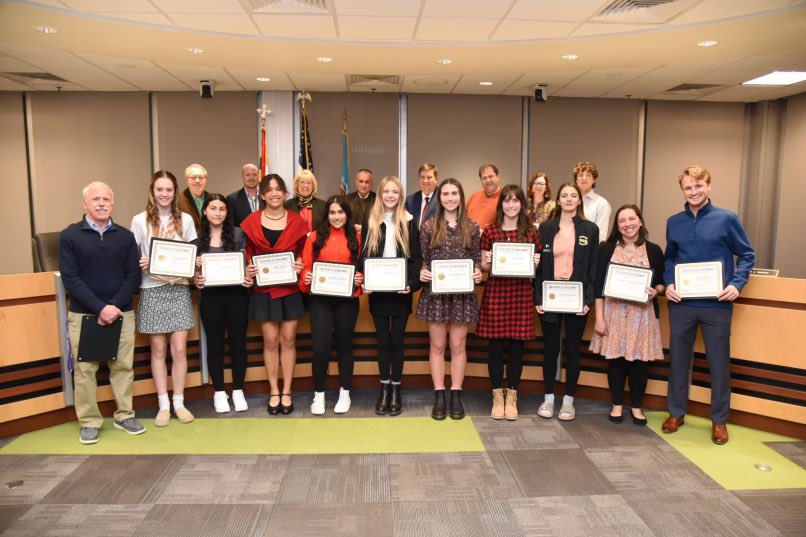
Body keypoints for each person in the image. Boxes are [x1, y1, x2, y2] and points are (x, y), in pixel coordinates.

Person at [662, 165, 755, 445]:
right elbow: (670, 258)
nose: (693, 192)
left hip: (717, 305)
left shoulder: (727, 218)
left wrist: (736, 284)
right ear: (682, 190)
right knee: (679, 361)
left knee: (718, 363)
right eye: (688, 187)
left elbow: (747, 255)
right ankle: (676, 413)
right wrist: (669, 283)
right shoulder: (674, 222)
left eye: (698, 186)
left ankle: (719, 420)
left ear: (708, 186)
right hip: (682, 304)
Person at [59, 182, 144, 444]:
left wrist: (114, 306)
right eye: (95, 199)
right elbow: (70, 278)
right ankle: (89, 421)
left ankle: (125, 415)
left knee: (123, 367)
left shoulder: (125, 236)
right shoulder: (70, 235)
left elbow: (133, 275)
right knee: (85, 371)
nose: (101, 203)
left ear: (113, 203)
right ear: (84, 203)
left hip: (122, 313)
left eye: (106, 199)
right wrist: (100, 308)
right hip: (84, 315)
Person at [131, 170, 198, 427]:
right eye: (159, 189)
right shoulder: (139, 220)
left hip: (178, 288)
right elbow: (133, 257)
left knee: (179, 349)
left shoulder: (186, 220)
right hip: (152, 288)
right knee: (158, 349)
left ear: (175, 192)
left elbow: (193, 254)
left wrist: (195, 263)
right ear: (152, 191)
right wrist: (141, 262)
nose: (164, 194)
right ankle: (163, 404)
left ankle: (179, 402)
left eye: (169, 190)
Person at [590, 205, 665, 426]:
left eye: (632, 219)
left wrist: (656, 291)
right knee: (616, 362)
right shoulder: (606, 250)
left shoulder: (654, 250)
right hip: (613, 313)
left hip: (642, 316)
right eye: (622, 220)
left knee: (640, 363)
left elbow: (661, 282)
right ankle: (616, 405)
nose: (627, 224)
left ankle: (637, 407)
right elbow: (598, 286)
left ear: (640, 221)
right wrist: (599, 318)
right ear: (617, 225)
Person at [241, 174, 309, 415]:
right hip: (263, 289)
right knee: (270, 341)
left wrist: (300, 262)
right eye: (269, 190)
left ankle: (287, 391)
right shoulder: (251, 222)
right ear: (262, 195)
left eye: (278, 189)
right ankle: (274, 391)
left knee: (288, 339)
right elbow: (248, 252)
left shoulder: (296, 221)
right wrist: (248, 266)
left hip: (289, 288)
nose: (274, 193)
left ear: (285, 193)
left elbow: (303, 251)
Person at [417, 178, 483, 421]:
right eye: (445, 194)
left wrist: (477, 272)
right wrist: (423, 272)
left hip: (461, 295)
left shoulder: (472, 226)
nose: (450, 198)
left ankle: (456, 393)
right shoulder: (428, 227)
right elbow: (423, 259)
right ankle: (439, 395)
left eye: (454, 193)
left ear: (461, 196)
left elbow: (477, 259)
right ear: (439, 197)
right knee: (437, 346)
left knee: (457, 346)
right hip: (436, 295)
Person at [534, 182, 599, 421]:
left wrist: (588, 299)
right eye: (564, 195)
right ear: (558, 200)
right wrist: (538, 297)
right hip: (551, 297)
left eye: (573, 195)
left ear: (579, 200)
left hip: (576, 298)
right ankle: (548, 399)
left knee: (573, 350)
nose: (569, 199)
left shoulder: (590, 229)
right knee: (551, 349)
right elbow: (539, 267)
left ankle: (569, 401)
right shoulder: (546, 228)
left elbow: (593, 267)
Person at [360, 176, 422, 416]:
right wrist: (365, 279)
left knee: (397, 341)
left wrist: (412, 284)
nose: (390, 195)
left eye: (395, 192)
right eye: (386, 191)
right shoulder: (371, 220)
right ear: (380, 194)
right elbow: (363, 256)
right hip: (378, 292)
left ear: (400, 195)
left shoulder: (409, 221)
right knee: (382, 341)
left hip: (400, 292)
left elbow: (416, 259)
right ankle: (384, 388)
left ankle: (396, 388)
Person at [477, 185, 540, 421]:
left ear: (522, 204)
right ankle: (497, 396)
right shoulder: (490, 231)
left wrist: (535, 262)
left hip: (521, 294)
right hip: (496, 292)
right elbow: (484, 265)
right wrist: (488, 260)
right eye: (506, 201)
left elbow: (535, 268)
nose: (511, 205)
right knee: (495, 348)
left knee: (516, 348)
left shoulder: (531, 232)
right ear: (501, 204)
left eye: (515, 201)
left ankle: (512, 396)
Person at [301, 196, 364, 415]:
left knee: (344, 347)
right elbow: (306, 266)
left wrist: (360, 277)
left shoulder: (357, 237)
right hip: (320, 301)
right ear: (326, 215)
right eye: (332, 212)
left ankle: (345, 393)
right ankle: (319, 394)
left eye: (340, 212)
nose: (336, 217)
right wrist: (307, 276)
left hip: (347, 301)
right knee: (320, 348)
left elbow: (362, 267)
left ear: (347, 214)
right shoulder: (314, 237)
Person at [193, 194, 254, 414]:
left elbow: (246, 266)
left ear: (227, 213)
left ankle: (238, 390)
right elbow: (194, 275)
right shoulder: (197, 241)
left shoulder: (238, 234)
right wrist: (196, 277)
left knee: (238, 343)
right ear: (205, 211)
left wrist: (249, 277)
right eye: (213, 208)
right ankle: (219, 391)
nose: (217, 213)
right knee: (215, 345)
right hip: (211, 299)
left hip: (237, 296)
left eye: (222, 209)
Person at [574, 161, 610, 241]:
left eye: (588, 175)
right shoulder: (569, 201)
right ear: (576, 180)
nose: (584, 178)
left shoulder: (601, 203)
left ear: (593, 180)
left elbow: (600, 236)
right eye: (580, 175)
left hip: (589, 247)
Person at [284, 169, 326, 233]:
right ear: (297, 185)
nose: (305, 185)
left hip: (317, 239)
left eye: (309, 183)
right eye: (302, 182)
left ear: (313, 186)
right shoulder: (287, 205)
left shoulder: (323, 205)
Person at [226, 163, 265, 228]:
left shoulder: (267, 196)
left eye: (254, 174)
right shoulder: (232, 199)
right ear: (242, 177)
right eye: (247, 175)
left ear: (258, 176)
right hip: (242, 235)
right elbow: (231, 227)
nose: (251, 178)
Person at [465, 163, 503, 229]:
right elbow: (463, 216)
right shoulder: (475, 195)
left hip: (491, 235)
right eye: (484, 178)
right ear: (481, 180)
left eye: (490, 176)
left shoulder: (505, 198)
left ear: (498, 177)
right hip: (468, 234)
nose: (488, 180)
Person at [404, 163, 439, 230]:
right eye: (422, 177)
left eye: (429, 177)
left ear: (436, 179)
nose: (425, 181)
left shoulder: (443, 198)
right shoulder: (410, 200)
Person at [178, 163, 210, 231]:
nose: (197, 181)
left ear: (205, 180)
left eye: (201, 177)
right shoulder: (177, 199)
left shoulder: (213, 199)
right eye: (193, 177)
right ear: (187, 180)